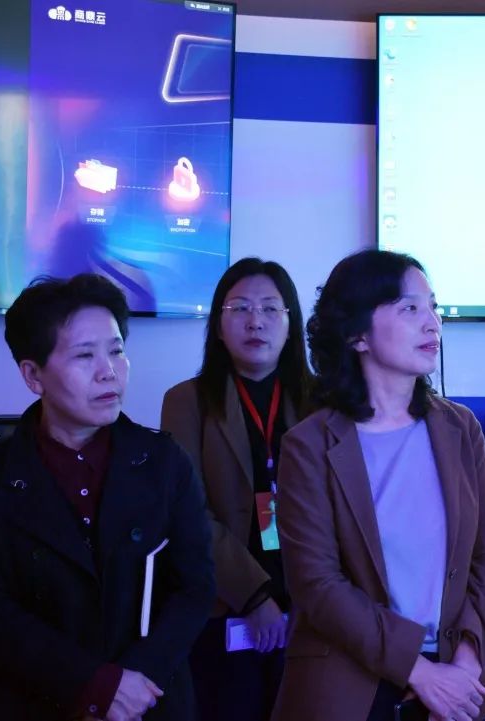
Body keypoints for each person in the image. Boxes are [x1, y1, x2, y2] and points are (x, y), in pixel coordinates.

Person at [0, 273, 215, 721]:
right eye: (85, 355)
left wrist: (130, 686)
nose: (109, 370)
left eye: (117, 350)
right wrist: (94, 686)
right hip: (24, 702)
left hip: (146, 699)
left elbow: (195, 588)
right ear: (33, 375)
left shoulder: (165, 462)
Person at [271, 250, 485, 721]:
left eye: (433, 306)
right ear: (357, 335)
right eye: (409, 308)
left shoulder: (460, 428)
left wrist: (465, 663)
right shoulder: (308, 445)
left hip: (454, 684)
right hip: (347, 690)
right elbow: (318, 585)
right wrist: (420, 673)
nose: (432, 323)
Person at [160, 258, 314, 721]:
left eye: (270, 308)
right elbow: (187, 512)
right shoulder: (185, 401)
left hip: (312, 608)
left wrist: (312, 599)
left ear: (291, 322)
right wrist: (254, 596)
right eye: (240, 308)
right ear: (218, 325)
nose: (255, 321)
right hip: (223, 605)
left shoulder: (323, 401)